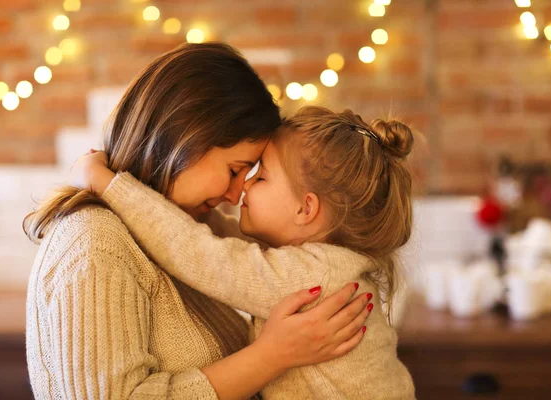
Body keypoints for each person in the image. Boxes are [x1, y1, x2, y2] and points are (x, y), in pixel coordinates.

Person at [23, 44, 370, 400]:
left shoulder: (179, 228)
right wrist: (271, 355)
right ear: (187, 135)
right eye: (235, 170)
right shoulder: (96, 244)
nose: (237, 196)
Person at [70, 106, 416, 399]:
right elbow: (221, 242)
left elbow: (201, 254)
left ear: (305, 209)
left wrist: (109, 184)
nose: (243, 187)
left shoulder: (315, 277)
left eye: (260, 177)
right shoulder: (322, 262)